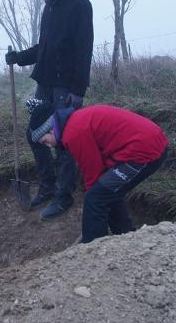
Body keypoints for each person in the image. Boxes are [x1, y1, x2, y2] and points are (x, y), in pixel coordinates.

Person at [5, 0, 94, 220]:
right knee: (35, 134)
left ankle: (64, 196)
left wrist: (78, 90)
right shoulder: (50, 8)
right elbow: (44, 48)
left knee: (63, 141)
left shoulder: (80, 4)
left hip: (66, 86)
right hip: (45, 84)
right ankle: (48, 186)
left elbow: (84, 49)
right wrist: (19, 57)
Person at [28, 101, 168, 243]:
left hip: (145, 150)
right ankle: (125, 235)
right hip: (146, 142)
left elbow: (93, 174)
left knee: (95, 198)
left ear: (51, 130)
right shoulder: (74, 122)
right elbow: (99, 173)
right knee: (106, 191)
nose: (49, 146)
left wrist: (91, 221)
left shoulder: (74, 133)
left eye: (45, 141)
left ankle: (93, 249)